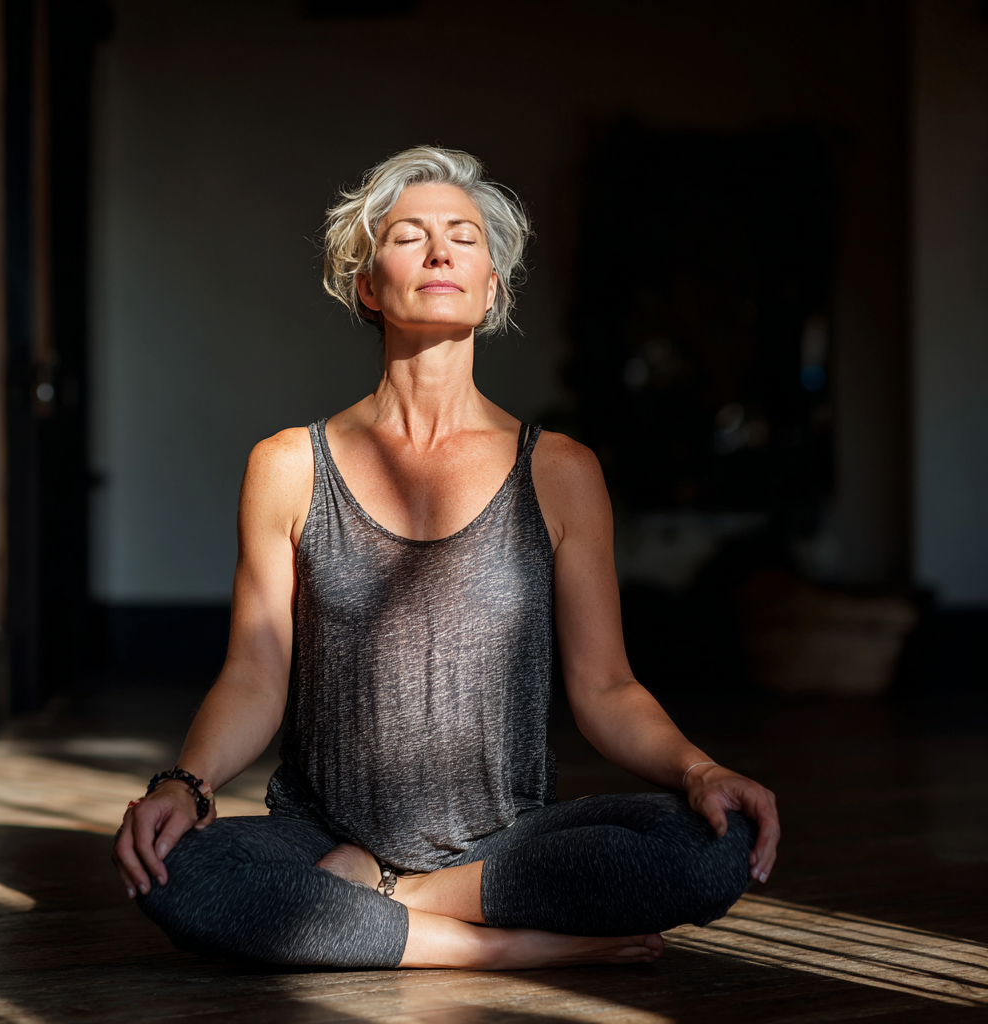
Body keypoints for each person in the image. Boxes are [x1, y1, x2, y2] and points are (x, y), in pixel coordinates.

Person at [112, 146, 780, 971]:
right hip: (318, 834)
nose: (439, 252)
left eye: (463, 237)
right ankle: (504, 948)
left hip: (506, 844)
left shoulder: (560, 472)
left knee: (712, 846)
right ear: (366, 284)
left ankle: (400, 903)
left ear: (492, 284)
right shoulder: (288, 465)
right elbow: (254, 673)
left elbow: (605, 688)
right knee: (179, 871)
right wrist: (185, 783)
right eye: (410, 236)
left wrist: (701, 769)